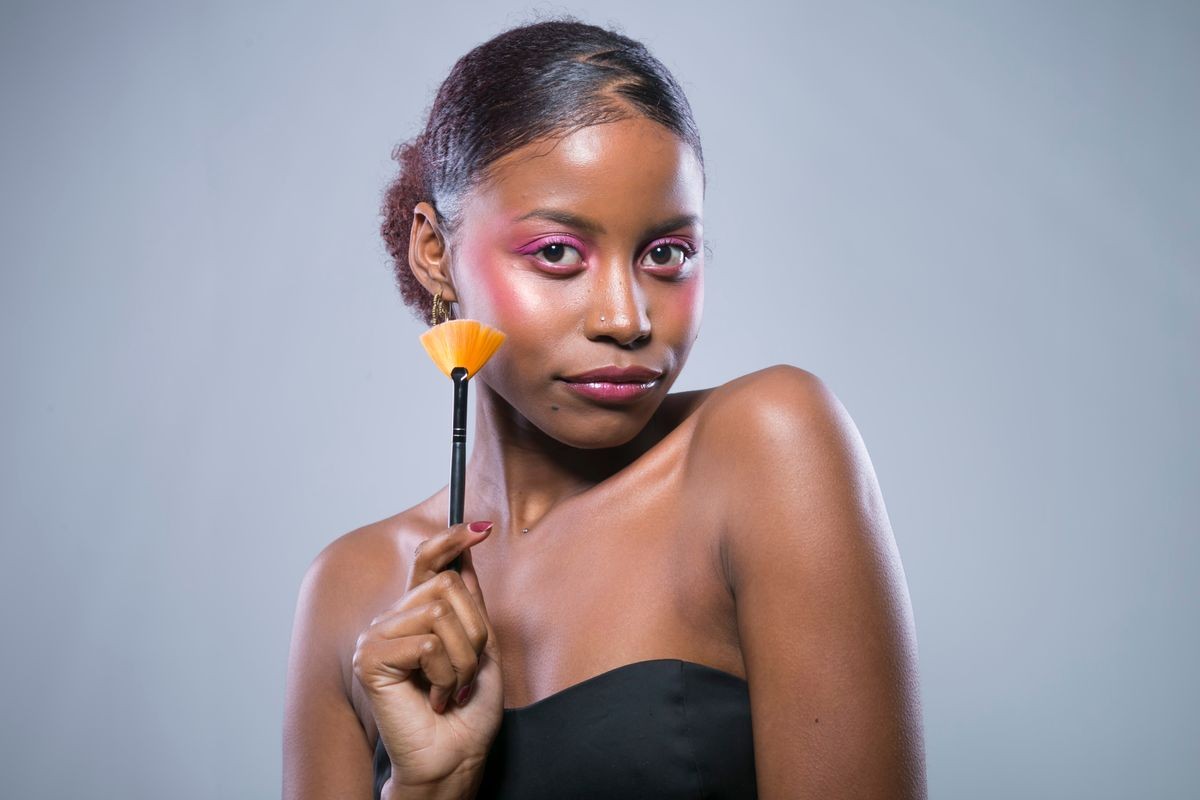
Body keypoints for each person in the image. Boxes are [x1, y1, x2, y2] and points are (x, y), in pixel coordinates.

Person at [283, 18, 926, 800]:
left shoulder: (764, 450)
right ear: (434, 252)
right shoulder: (351, 590)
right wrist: (427, 789)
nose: (626, 318)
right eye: (557, 253)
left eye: (666, 254)